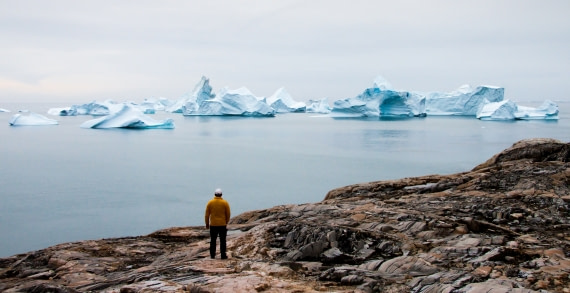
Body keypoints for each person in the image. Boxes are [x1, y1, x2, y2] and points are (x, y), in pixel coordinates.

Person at [204, 188, 231, 259]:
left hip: (213, 225)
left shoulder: (210, 202)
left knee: (213, 240)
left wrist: (207, 224)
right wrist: (226, 222)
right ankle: (223, 255)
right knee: (223, 241)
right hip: (222, 225)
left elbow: (207, 215)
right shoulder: (225, 203)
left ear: (214, 194)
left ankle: (212, 255)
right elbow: (228, 214)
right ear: (221, 195)